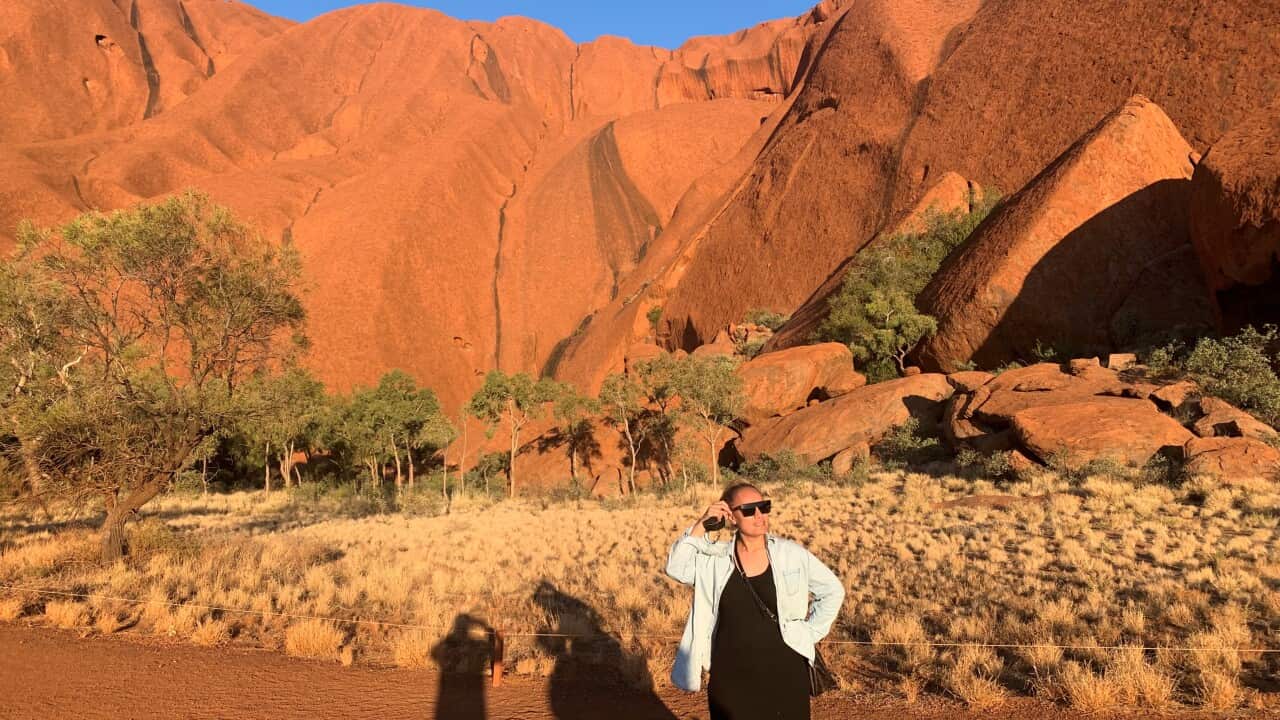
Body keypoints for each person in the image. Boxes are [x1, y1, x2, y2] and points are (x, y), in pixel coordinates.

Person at [665, 482, 845, 720]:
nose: (759, 515)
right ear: (731, 516)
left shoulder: (790, 554)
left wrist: (809, 632)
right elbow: (676, 567)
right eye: (749, 509)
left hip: (786, 672)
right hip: (731, 676)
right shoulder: (715, 561)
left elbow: (833, 590)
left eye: (764, 506)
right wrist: (702, 523)